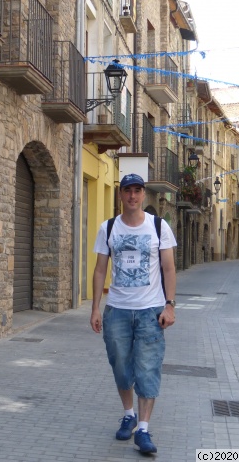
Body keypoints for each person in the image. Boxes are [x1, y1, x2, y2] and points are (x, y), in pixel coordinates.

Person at [90, 173, 177, 455]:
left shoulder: (159, 226)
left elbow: (169, 269)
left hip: (150, 310)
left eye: (137, 191)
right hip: (117, 310)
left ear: (142, 194)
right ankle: (128, 414)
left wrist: (170, 305)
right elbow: (100, 269)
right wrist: (95, 308)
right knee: (121, 366)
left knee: (148, 367)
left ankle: (143, 429)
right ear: (121, 195)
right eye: (127, 191)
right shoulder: (109, 227)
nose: (132, 196)